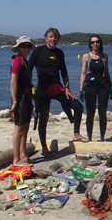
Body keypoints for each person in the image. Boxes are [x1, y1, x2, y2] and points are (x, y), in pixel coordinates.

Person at [29, 28, 86, 157]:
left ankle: (76, 133)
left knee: (78, 106)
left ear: (58, 39)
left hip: (57, 88)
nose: (53, 39)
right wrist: (31, 89)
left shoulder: (60, 53)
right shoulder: (38, 51)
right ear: (45, 38)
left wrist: (67, 88)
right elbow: (29, 70)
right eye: (50, 37)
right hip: (42, 90)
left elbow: (64, 71)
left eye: (55, 37)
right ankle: (44, 147)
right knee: (43, 118)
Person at [8, 36, 35, 166]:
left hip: (27, 98)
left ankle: (23, 155)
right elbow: (13, 83)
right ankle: (16, 159)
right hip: (20, 99)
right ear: (18, 48)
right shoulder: (17, 61)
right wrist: (14, 102)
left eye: (28, 46)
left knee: (25, 127)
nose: (26, 48)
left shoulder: (26, 62)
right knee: (18, 129)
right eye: (23, 46)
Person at [79, 35, 112, 141]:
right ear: (90, 44)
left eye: (97, 42)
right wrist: (81, 89)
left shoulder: (104, 56)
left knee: (102, 111)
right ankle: (90, 136)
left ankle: (102, 136)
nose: (95, 44)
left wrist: (110, 87)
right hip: (90, 86)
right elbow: (83, 73)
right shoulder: (86, 57)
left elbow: (106, 72)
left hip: (103, 86)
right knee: (90, 112)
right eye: (93, 42)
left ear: (100, 43)